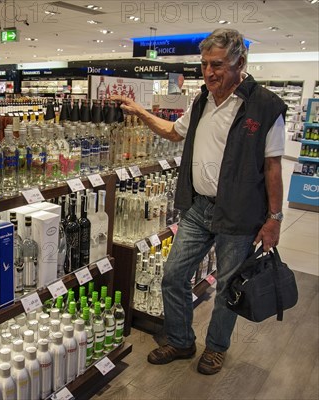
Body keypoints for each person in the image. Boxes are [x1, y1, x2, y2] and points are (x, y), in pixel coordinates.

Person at [115, 29, 287, 375]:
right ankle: (180, 340)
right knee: (173, 274)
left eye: (218, 65)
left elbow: (272, 166)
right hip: (199, 208)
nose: (209, 72)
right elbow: (172, 132)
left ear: (240, 62)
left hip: (239, 214)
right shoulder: (202, 101)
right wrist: (139, 111)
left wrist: (275, 218)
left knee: (227, 285)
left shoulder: (266, 107)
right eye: (205, 64)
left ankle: (217, 347)